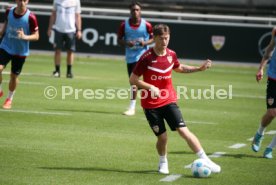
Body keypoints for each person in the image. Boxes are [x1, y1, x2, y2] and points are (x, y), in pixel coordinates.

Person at [129, 24, 221, 174]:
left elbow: (178, 67)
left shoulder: (171, 54)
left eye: (167, 38)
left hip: (168, 100)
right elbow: (133, 79)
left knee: (184, 131)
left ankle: (206, 159)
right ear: (154, 39)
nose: (164, 41)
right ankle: (163, 162)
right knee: (163, 138)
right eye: (161, 39)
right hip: (150, 104)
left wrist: (199, 68)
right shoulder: (146, 57)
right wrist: (149, 87)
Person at [0, 0, 39, 109]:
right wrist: (1, 32)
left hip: (20, 51)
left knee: (13, 76)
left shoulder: (31, 17)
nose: (22, 2)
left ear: (27, 1)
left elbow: (36, 36)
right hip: (5, 46)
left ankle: (9, 99)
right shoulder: (9, 11)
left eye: (24, 0)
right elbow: (6, 24)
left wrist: (24, 37)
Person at [117, 1, 154, 116]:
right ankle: (134, 106)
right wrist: (127, 43)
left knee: (139, 82)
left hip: (143, 56)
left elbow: (153, 38)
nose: (135, 12)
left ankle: (136, 107)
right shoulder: (124, 25)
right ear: (130, 11)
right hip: (131, 57)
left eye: (137, 10)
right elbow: (119, 39)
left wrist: (145, 42)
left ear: (140, 11)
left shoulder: (146, 25)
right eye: (133, 10)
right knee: (134, 82)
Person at [251, 27, 276, 159]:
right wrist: (261, 68)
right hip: (274, 78)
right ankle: (259, 133)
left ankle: (269, 148)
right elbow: (270, 49)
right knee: (272, 113)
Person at [47, 0, 82, 78]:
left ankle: (69, 72)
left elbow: (77, 15)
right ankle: (57, 71)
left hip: (71, 30)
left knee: (70, 51)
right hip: (58, 29)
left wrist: (79, 30)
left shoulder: (76, 1)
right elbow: (53, 14)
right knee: (57, 51)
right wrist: (50, 28)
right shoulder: (56, 1)